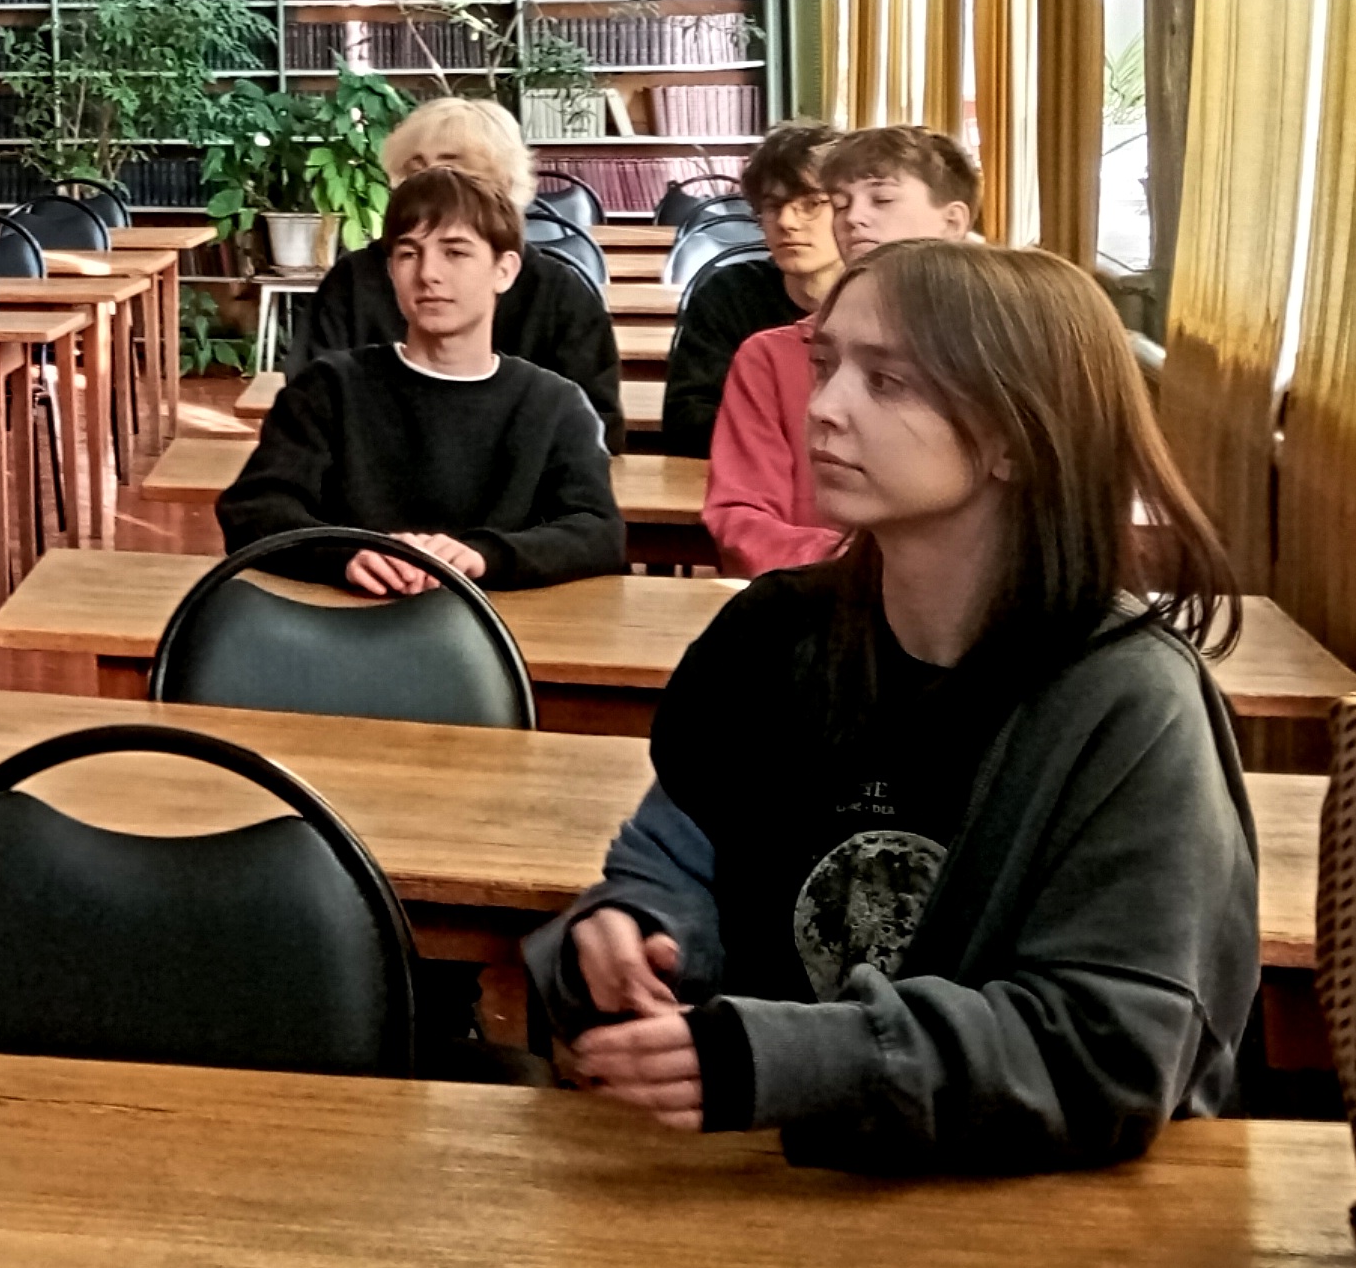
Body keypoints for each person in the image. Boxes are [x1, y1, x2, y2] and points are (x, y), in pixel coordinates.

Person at [529, 240, 1254, 1173]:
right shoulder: (769, 638)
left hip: (1025, 1203)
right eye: (826, 365)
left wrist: (792, 1060)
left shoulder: (1128, 702)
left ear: (1012, 436)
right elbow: (671, 861)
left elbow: (1106, 1048)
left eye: (888, 381)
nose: (822, 407)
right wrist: (630, 931)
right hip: (769, 1180)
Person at [218, 166, 624, 594]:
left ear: (504, 270)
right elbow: (254, 510)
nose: (428, 273)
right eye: (409, 254)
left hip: (500, 624)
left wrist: (484, 556)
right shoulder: (328, 389)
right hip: (346, 618)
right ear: (391, 271)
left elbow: (598, 533)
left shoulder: (555, 404)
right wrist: (346, 555)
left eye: (455, 253)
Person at [707, 124, 982, 575]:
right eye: (840, 204)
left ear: (952, 222)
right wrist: (871, 569)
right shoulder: (769, 357)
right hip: (818, 594)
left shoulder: (999, 353)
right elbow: (741, 520)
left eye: (882, 199)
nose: (853, 218)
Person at [278, 97, 624, 449]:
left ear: (503, 183)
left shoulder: (560, 293)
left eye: (453, 170)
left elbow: (596, 427)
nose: (431, 186)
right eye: (415, 171)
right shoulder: (352, 281)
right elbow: (310, 402)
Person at [661, 121, 841, 453]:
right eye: (773, 206)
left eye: (811, 204)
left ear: (849, 211)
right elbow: (688, 422)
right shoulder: (726, 295)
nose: (786, 221)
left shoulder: (886, 301)